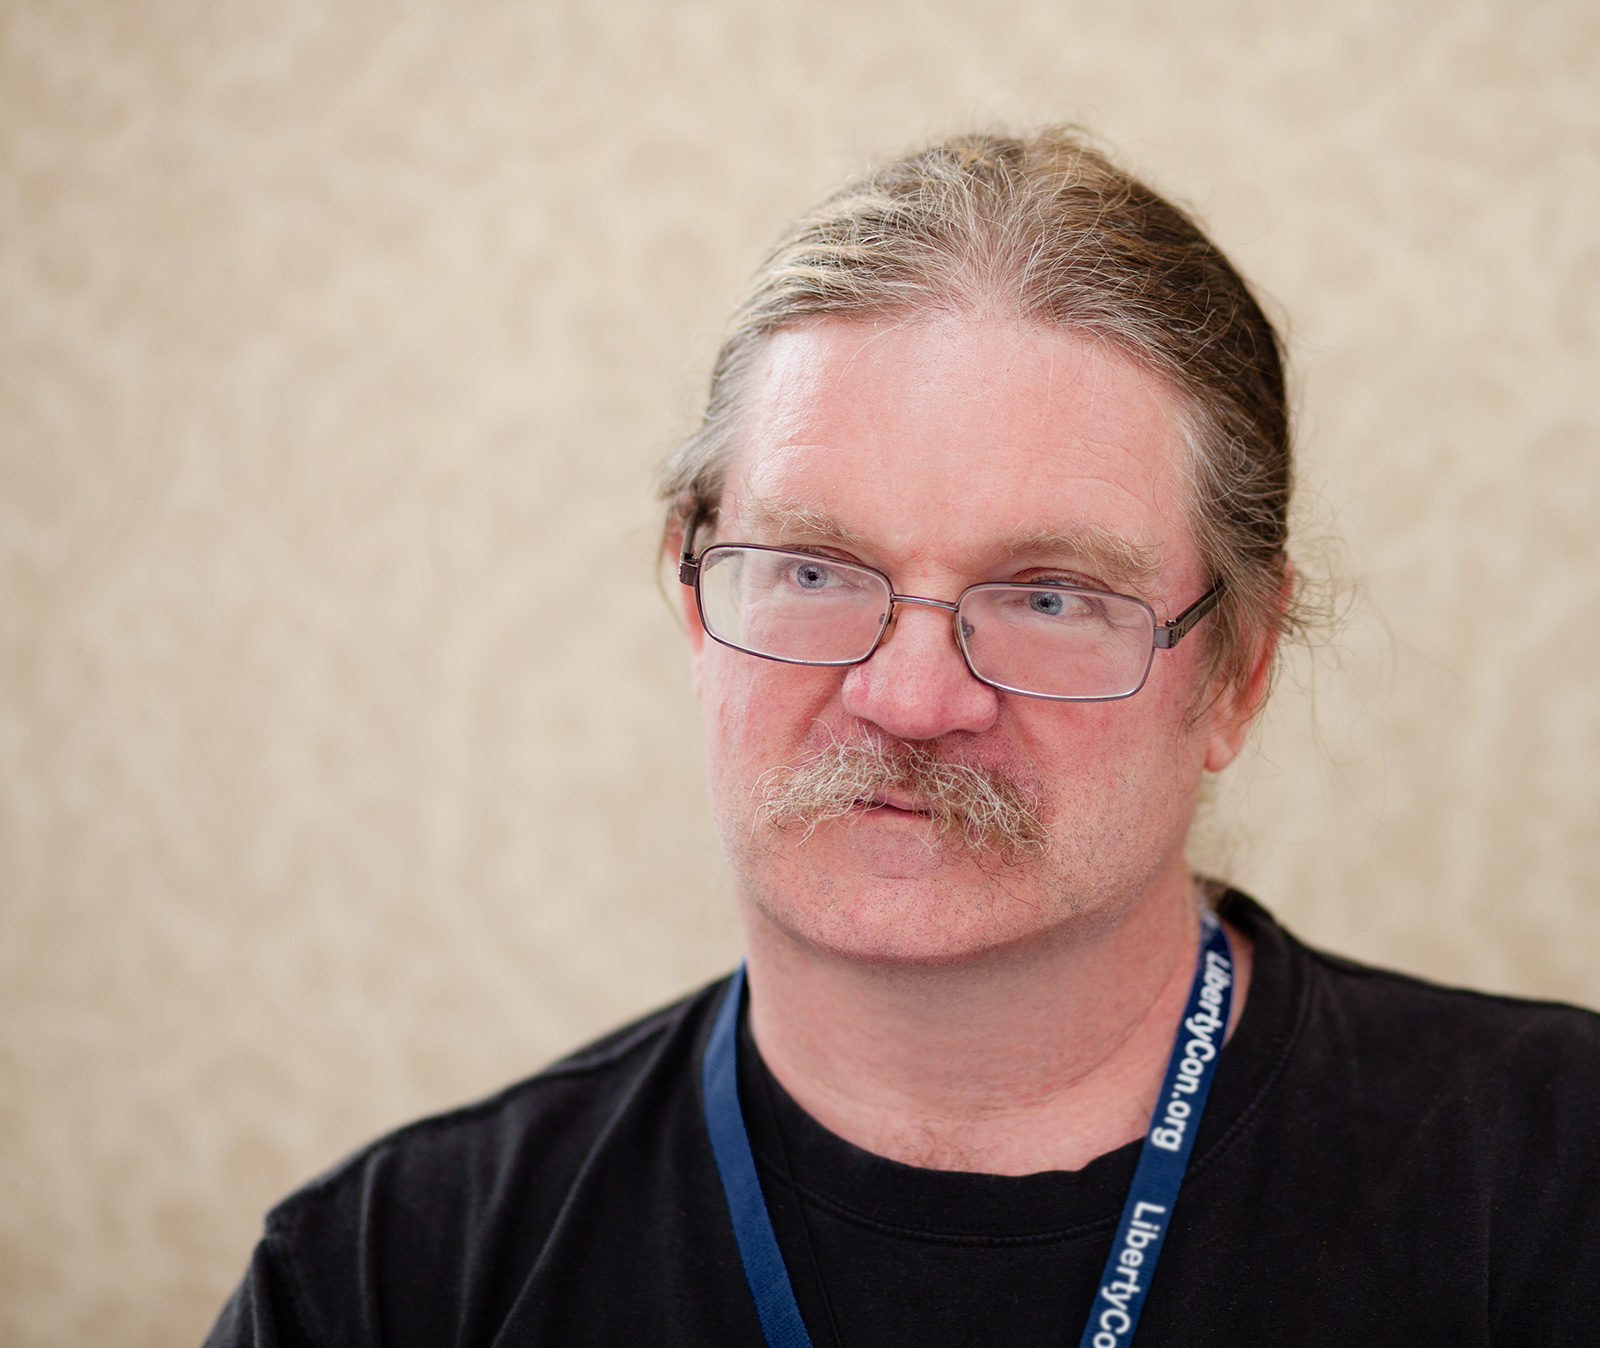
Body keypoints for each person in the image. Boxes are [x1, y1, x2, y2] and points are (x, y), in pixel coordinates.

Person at [205, 129, 1600, 1348]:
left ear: (1237, 667)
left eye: (1049, 597)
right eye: (814, 571)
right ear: (692, 600)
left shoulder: (1559, 1187)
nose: (912, 698)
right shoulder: (384, 1279)